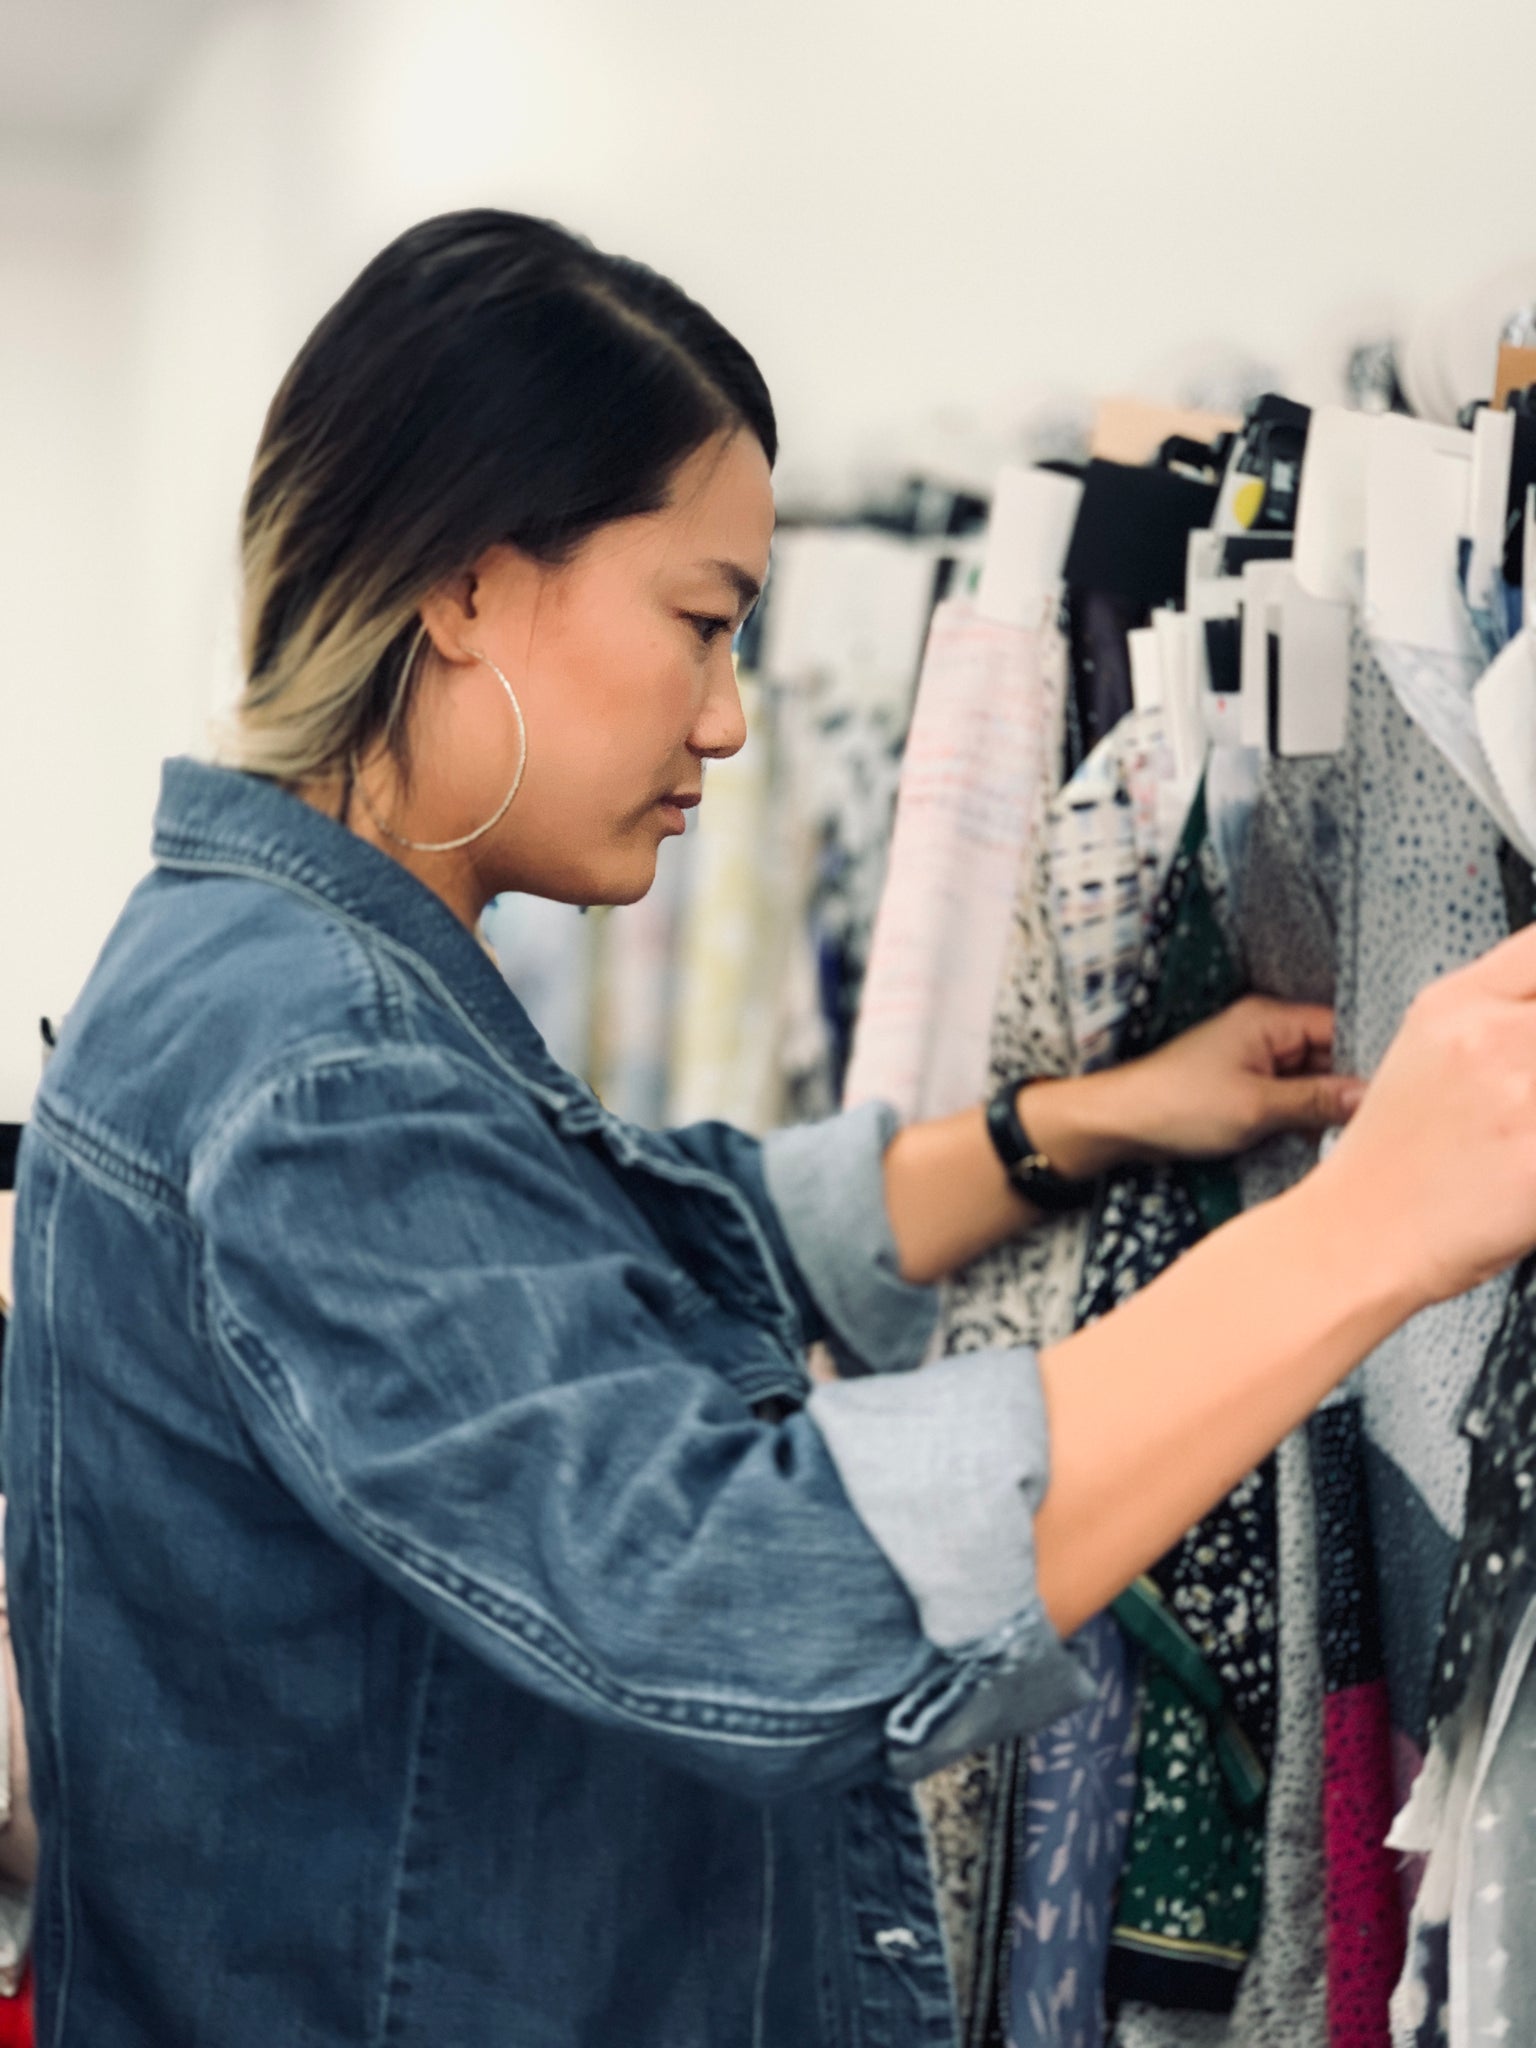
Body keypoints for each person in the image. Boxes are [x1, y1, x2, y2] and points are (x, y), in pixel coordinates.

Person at [7, 210, 1536, 2048]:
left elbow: (637, 1243)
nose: (732, 719)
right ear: (466, 583)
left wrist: (1079, 1121)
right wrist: (1365, 1228)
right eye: (704, 623)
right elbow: (757, 1597)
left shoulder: (254, 966)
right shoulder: (320, 1066)